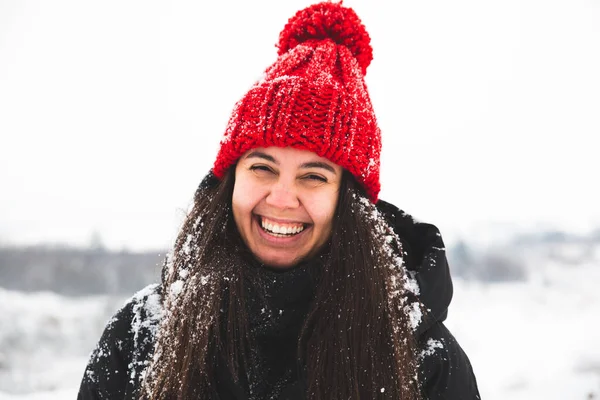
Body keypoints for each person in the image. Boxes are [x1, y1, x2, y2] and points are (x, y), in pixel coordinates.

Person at [77, 2, 480, 399]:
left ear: (349, 202)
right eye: (262, 168)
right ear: (230, 181)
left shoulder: (423, 361)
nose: (283, 198)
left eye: (314, 176)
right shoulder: (142, 335)